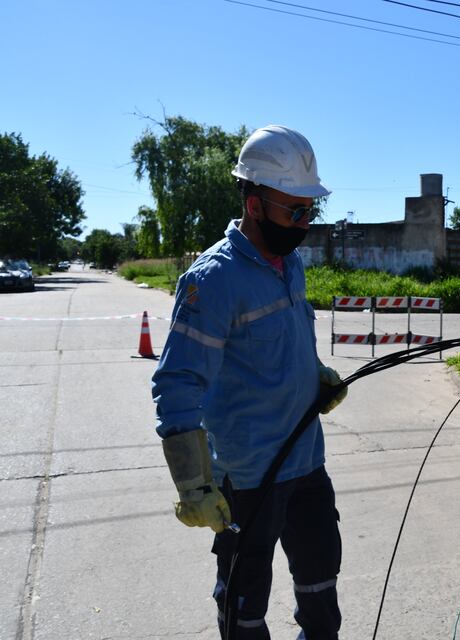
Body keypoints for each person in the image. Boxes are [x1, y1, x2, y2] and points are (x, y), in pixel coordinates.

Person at [152, 124, 348, 640]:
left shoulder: (291, 264)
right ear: (255, 204)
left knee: (321, 584)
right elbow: (177, 382)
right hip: (249, 478)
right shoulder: (211, 280)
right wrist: (194, 484)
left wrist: (317, 378)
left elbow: (285, 342)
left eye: (311, 211)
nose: (305, 224)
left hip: (307, 463)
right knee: (245, 604)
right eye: (294, 212)